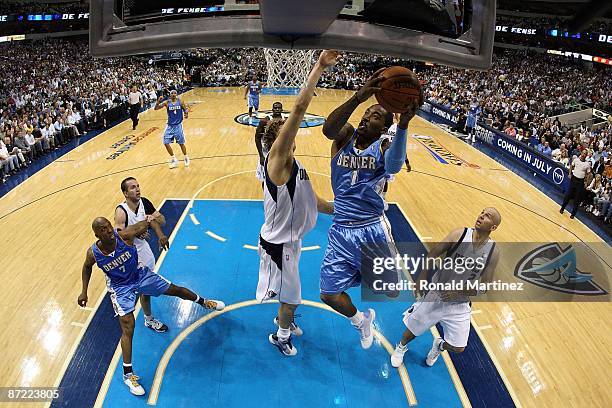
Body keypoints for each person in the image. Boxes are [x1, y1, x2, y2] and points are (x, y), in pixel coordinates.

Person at [319, 67, 422, 349]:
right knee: (328, 294)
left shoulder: (385, 145)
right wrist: (358, 99)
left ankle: (411, 305)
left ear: (384, 126)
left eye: (375, 116)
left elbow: (394, 166)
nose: (366, 118)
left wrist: (403, 126)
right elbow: (328, 129)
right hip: (341, 229)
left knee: (387, 290)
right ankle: (360, 320)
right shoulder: (346, 136)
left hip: (371, 229)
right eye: (367, 114)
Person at [78, 217, 224, 396]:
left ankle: (204, 302)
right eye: (103, 229)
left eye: (109, 226)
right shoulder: (93, 253)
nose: (108, 230)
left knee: (175, 289)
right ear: (96, 234)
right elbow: (86, 267)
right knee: (128, 327)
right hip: (120, 288)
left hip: (139, 275)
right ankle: (128, 375)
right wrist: (84, 291)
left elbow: (150, 221)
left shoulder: (125, 235)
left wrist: (161, 235)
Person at [257, 50, 337, 356]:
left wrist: (340, 210)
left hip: (292, 240)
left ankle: (283, 320)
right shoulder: (277, 162)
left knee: (289, 295)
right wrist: (318, 66)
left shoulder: (295, 165)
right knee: (293, 298)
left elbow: (312, 199)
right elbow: (301, 107)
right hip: (279, 243)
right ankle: (281, 335)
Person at [390, 208, 501, 368]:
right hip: (436, 295)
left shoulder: (493, 251)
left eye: (487, 216)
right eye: (482, 213)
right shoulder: (459, 235)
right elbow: (433, 254)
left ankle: (439, 346)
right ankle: (401, 347)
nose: (481, 216)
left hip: (460, 304)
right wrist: (421, 278)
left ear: (493, 227)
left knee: (459, 347)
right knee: (412, 330)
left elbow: (485, 286)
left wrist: (460, 291)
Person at [115, 177, 169, 333]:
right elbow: (119, 237)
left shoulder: (144, 203)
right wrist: (137, 231)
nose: (137, 189)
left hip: (144, 253)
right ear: (125, 193)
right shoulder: (121, 211)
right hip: (129, 256)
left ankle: (148, 319)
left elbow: (163, 220)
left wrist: (153, 219)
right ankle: (135, 323)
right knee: (134, 292)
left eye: (138, 186)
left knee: (145, 290)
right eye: (132, 187)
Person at [154, 89, 189, 168]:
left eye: (175, 93)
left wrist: (186, 113)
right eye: (172, 93)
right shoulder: (167, 102)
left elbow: (185, 109)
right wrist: (158, 101)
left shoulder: (180, 101)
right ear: (170, 95)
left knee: (181, 143)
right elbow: (156, 108)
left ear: (176, 94)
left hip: (178, 126)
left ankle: (186, 157)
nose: (173, 94)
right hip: (169, 126)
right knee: (166, 143)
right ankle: (174, 159)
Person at [254, 102, 284, 183]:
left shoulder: (285, 121)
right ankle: (266, 195)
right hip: (266, 153)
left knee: (279, 178)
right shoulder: (264, 121)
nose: (277, 110)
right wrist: (261, 156)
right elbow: (257, 138)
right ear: (272, 109)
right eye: (275, 108)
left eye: (279, 108)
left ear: (282, 109)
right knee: (265, 180)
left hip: (280, 153)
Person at [560, 150, 591, 219]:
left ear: (586, 155)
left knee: (577, 199)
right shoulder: (576, 160)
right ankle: (562, 208)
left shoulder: (587, 164)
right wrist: (570, 173)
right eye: (583, 153)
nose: (583, 154)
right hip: (574, 179)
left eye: (585, 154)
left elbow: (588, 174)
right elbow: (571, 165)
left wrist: (586, 182)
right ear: (581, 153)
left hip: (580, 182)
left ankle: (573, 214)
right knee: (568, 195)